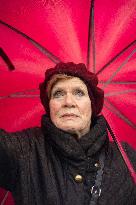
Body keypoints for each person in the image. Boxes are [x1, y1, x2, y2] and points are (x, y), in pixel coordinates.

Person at [0, 62, 136, 205]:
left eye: (79, 93)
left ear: (92, 104)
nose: (68, 102)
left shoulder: (125, 157)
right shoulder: (25, 149)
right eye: (58, 94)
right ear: (49, 106)